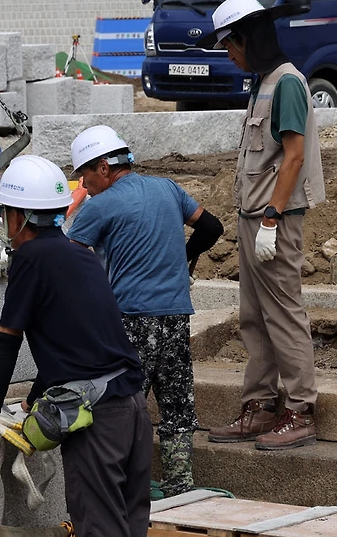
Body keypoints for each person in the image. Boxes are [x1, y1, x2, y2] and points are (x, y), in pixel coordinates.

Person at [0, 155, 152, 537]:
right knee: (131, 535)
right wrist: (34, 400)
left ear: (17, 217)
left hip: (98, 420)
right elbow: (72, 342)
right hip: (131, 404)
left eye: (6, 214)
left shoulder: (31, 260)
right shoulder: (80, 254)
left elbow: (7, 341)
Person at [66, 125, 223, 497]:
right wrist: (182, 259)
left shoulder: (100, 206)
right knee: (177, 402)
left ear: (103, 167)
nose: (84, 184)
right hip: (175, 315)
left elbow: (69, 261)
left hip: (131, 318)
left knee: (123, 403)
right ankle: (180, 484)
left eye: (85, 175)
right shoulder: (168, 189)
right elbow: (211, 227)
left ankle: (123, 485)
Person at [198, 0, 326, 450]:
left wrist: (272, 217)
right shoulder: (263, 83)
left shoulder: (286, 83)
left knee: (283, 313)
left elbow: (293, 157)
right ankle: (260, 405)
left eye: (230, 46)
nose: (229, 56)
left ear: (247, 39)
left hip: (275, 219)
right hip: (254, 216)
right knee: (255, 316)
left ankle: (300, 410)